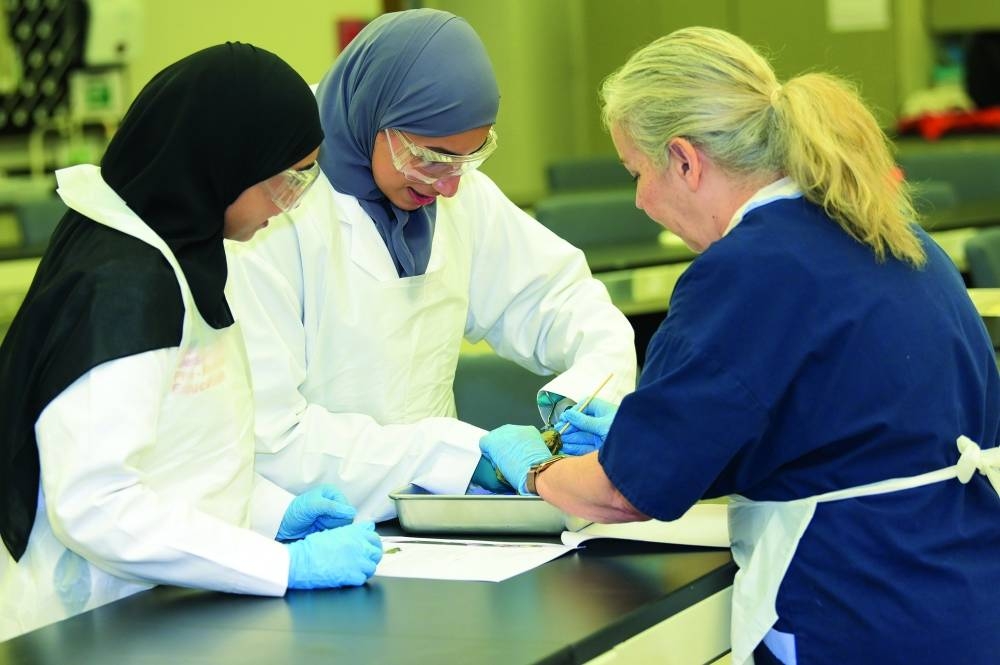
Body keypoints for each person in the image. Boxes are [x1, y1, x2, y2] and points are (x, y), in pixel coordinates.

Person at [480, 27, 1000, 665]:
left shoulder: (745, 270)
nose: (641, 201)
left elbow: (623, 493)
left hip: (855, 605)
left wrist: (536, 470)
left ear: (685, 159)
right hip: (960, 591)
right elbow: (835, 424)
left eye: (636, 173)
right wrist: (645, 434)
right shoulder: (892, 234)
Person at [0, 43, 383, 641]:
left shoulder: (179, 250)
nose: (287, 209)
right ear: (224, 161)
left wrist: (273, 513)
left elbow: (182, 453)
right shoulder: (123, 283)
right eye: (286, 182)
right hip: (87, 622)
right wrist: (279, 565)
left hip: (161, 608)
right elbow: (95, 506)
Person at [224, 8, 637, 521]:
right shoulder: (270, 216)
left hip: (438, 520)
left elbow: (561, 299)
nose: (449, 185)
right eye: (433, 157)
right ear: (373, 117)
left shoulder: (455, 194)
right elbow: (273, 438)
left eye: (470, 157)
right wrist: (457, 457)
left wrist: (588, 389)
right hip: (310, 526)